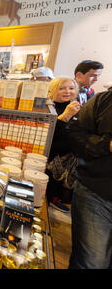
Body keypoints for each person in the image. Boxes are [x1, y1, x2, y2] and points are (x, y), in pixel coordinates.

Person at [68, 85, 111, 269]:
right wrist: (106, 145)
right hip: (97, 191)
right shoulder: (104, 101)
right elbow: (75, 134)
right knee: (92, 261)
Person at [46, 77, 81, 213]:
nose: (67, 91)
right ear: (53, 90)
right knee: (49, 183)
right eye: (62, 88)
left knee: (58, 184)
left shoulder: (75, 105)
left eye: (71, 88)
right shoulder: (49, 107)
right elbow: (51, 135)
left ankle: (54, 200)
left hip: (67, 157)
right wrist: (66, 116)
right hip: (52, 156)